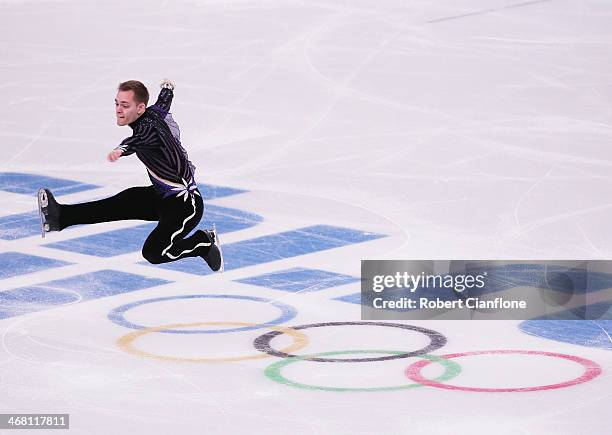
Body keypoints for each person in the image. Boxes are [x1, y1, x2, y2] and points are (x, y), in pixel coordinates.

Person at [37, 79, 223, 272]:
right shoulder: (153, 114)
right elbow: (162, 104)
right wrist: (167, 90)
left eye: (125, 105)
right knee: (116, 204)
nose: (118, 110)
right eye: (117, 103)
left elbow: (137, 139)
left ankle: (203, 243)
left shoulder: (147, 130)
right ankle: (59, 217)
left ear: (140, 108)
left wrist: (121, 149)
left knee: (154, 252)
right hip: (160, 197)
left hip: (184, 206)